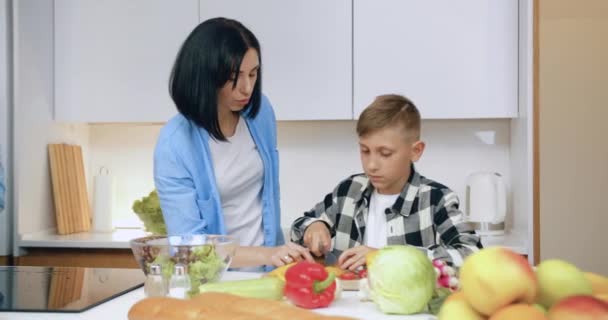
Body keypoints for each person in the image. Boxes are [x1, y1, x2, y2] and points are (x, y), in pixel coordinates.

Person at [154, 17, 312, 269]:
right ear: (205, 76)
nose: (247, 88)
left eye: (253, 73)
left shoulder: (260, 114)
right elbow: (190, 247)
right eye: (234, 77)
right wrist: (266, 254)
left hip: (268, 271)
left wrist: (275, 257)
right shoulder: (174, 144)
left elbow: (266, 200)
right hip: (215, 279)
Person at [291, 94, 482, 270]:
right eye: (365, 151)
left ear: (415, 151)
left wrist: (387, 256)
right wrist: (314, 227)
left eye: (385, 153)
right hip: (349, 305)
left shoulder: (436, 199)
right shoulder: (349, 191)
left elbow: (472, 255)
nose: (372, 165)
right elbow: (299, 226)